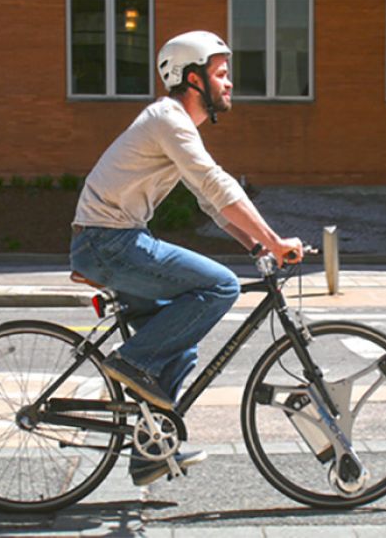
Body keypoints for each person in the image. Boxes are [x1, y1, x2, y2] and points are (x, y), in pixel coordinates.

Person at [70, 31, 303, 485]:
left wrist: (256, 247)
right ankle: (130, 361)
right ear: (192, 78)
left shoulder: (174, 126)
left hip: (112, 239)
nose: (230, 82)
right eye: (221, 73)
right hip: (109, 240)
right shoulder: (168, 119)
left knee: (181, 347)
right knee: (220, 287)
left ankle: (149, 448)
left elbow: (210, 203)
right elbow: (218, 184)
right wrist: (275, 240)